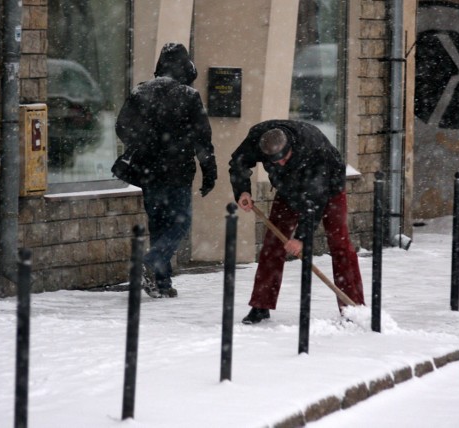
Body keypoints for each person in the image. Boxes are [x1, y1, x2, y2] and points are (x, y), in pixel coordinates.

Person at [229, 119, 365, 324]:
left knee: (339, 244)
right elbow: (238, 161)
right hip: (287, 189)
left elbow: (315, 199)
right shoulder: (258, 137)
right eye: (275, 162)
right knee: (273, 244)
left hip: (328, 189)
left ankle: (353, 308)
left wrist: (301, 238)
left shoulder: (313, 148)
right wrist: (242, 190)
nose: (280, 163)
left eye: (284, 158)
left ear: (291, 147)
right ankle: (261, 305)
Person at [116, 42, 217, 298]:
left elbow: (122, 127)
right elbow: (203, 139)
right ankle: (150, 262)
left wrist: (145, 143)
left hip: (149, 172)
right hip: (178, 171)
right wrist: (209, 171)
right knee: (180, 223)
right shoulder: (188, 96)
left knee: (159, 225)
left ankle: (161, 283)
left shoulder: (141, 92)